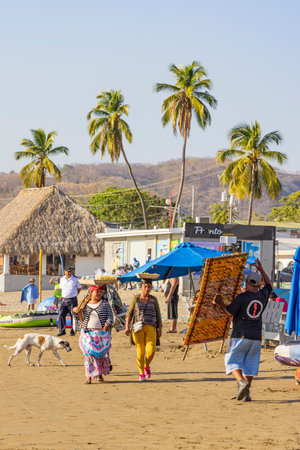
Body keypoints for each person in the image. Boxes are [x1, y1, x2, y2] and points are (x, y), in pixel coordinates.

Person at [215, 258, 272, 402]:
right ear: (258, 284)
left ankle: (241, 382)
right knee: (250, 365)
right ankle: (246, 393)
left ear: (247, 283)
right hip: (256, 336)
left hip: (240, 334)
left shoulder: (242, 297)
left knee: (232, 361)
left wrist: (220, 303)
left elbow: (229, 313)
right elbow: (269, 284)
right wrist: (261, 269)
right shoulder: (263, 295)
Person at [73, 285, 113, 384]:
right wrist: (75, 311)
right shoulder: (84, 305)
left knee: (100, 356)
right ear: (91, 293)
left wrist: (108, 324)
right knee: (89, 355)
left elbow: (110, 316)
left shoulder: (105, 304)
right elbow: (77, 316)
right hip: (88, 334)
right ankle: (89, 376)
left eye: (100, 292)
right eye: (97, 292)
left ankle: (100, 374)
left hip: (101, 334)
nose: (99, 293)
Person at [125, 279, 162, 381]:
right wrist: (127, 326)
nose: (147, 289)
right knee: (140, 352)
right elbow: (129, 313)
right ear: (141, 287)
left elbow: (158, 314)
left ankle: (146, 365)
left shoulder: (154, 299)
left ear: (151, 288)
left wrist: (160, 328)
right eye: (145, 287)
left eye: (149, 287)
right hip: (137, 328)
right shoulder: (136, 298)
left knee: (151, 351)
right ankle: (141, 372)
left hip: (151, 327)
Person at [57, 267, 81, 337]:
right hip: (63, 299)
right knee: (61, 314)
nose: (69, 273)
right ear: (64, 272)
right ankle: (62, 330)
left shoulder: (75, 279)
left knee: (73, 315)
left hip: (72, 300)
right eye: (67, 272)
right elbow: (62, 289)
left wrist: (75, 295)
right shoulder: (62, 279)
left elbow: (79, 288)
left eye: (70, 271)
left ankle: (72, 330)